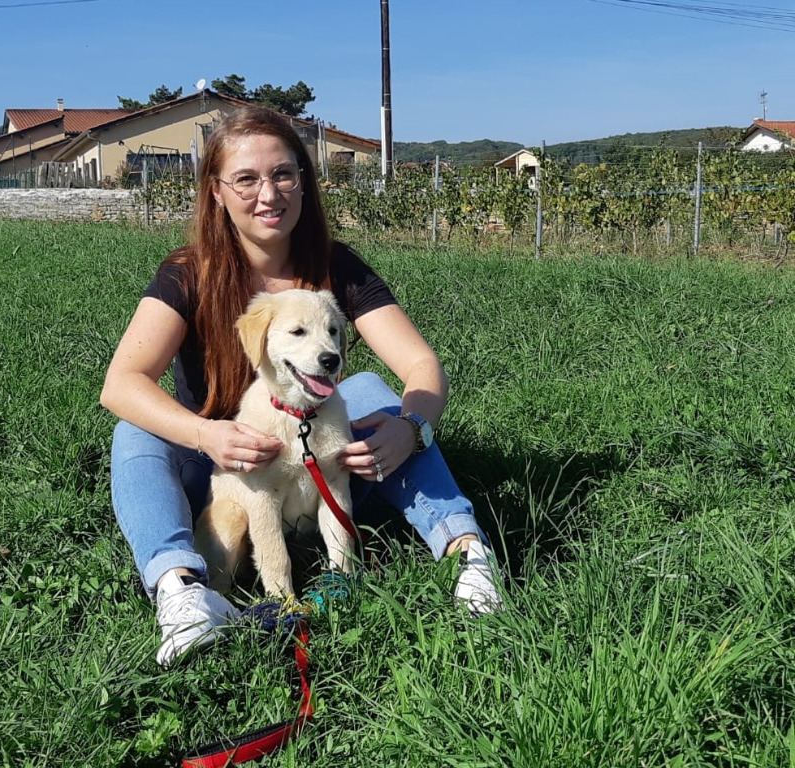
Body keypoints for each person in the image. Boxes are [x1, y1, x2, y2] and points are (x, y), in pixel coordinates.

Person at [100, 106, 503, 667]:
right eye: (246, 179)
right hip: (222, 474)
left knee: (370, 392)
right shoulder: (189, 271)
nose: (269, 193)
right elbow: (121, 383)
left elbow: (421, 365)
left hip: (324, 470)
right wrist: (206, 434)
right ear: (216, 192)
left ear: (304, 183)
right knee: (134, 431)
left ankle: (469, 556)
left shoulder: (335, 267)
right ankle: (181, 590)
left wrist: (412, 429)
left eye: (284, 174)